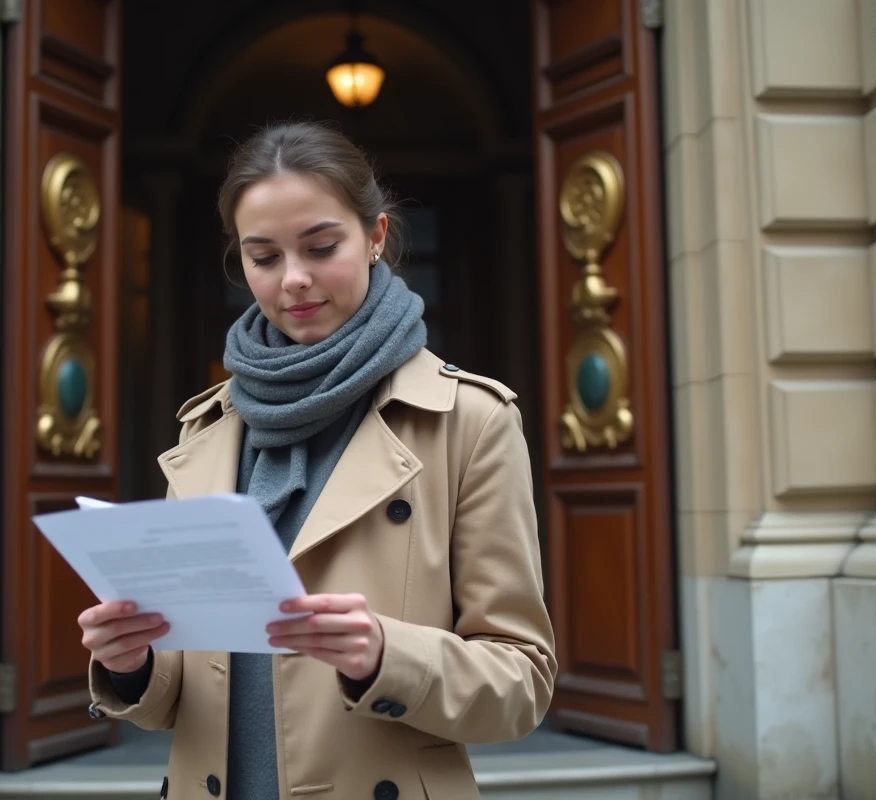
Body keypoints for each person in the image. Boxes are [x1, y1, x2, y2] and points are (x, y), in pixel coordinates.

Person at [79, 120, 556, 800]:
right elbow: (183, 695)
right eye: (263, 257)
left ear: (377, 237)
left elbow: (522, 683)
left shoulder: (470, 421)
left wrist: (387, 657)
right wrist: (132, 663)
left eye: (322, 246)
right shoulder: (207, 426)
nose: (294, 280)